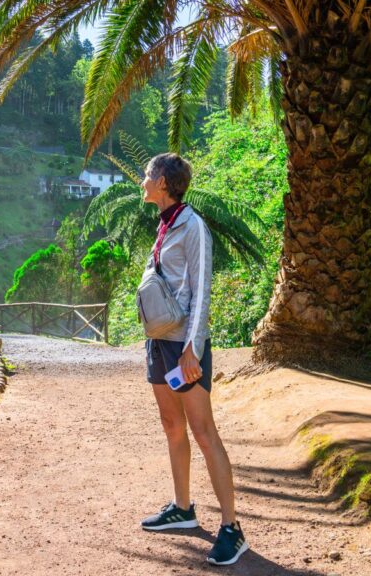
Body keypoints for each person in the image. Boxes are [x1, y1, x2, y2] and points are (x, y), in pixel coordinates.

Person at [137, 153, 248, 566]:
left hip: (184, 346)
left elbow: (202, 290)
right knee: (171, 426)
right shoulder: (165, 223)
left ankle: (232, 529)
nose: (143, 180)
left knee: (204, 432)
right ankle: (183, 509)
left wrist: (192, 349)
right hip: (159, 342)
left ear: (163, 182)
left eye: (148, 175)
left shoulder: (193, 225)